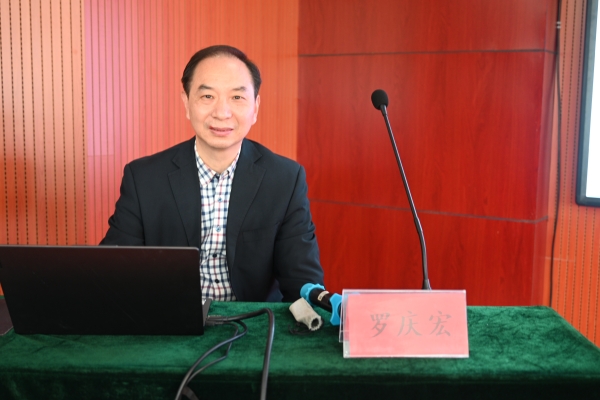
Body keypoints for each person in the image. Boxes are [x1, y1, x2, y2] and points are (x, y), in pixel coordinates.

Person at [101, 45, 324, 302]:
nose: (222, 113)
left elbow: (303, 282)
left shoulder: (285, 179)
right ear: (186, 103)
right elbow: (112, 273)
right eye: (207, 96)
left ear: (255, 107)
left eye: (237, 97)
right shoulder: (144, 179)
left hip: (255, 320)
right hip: (170, 319)